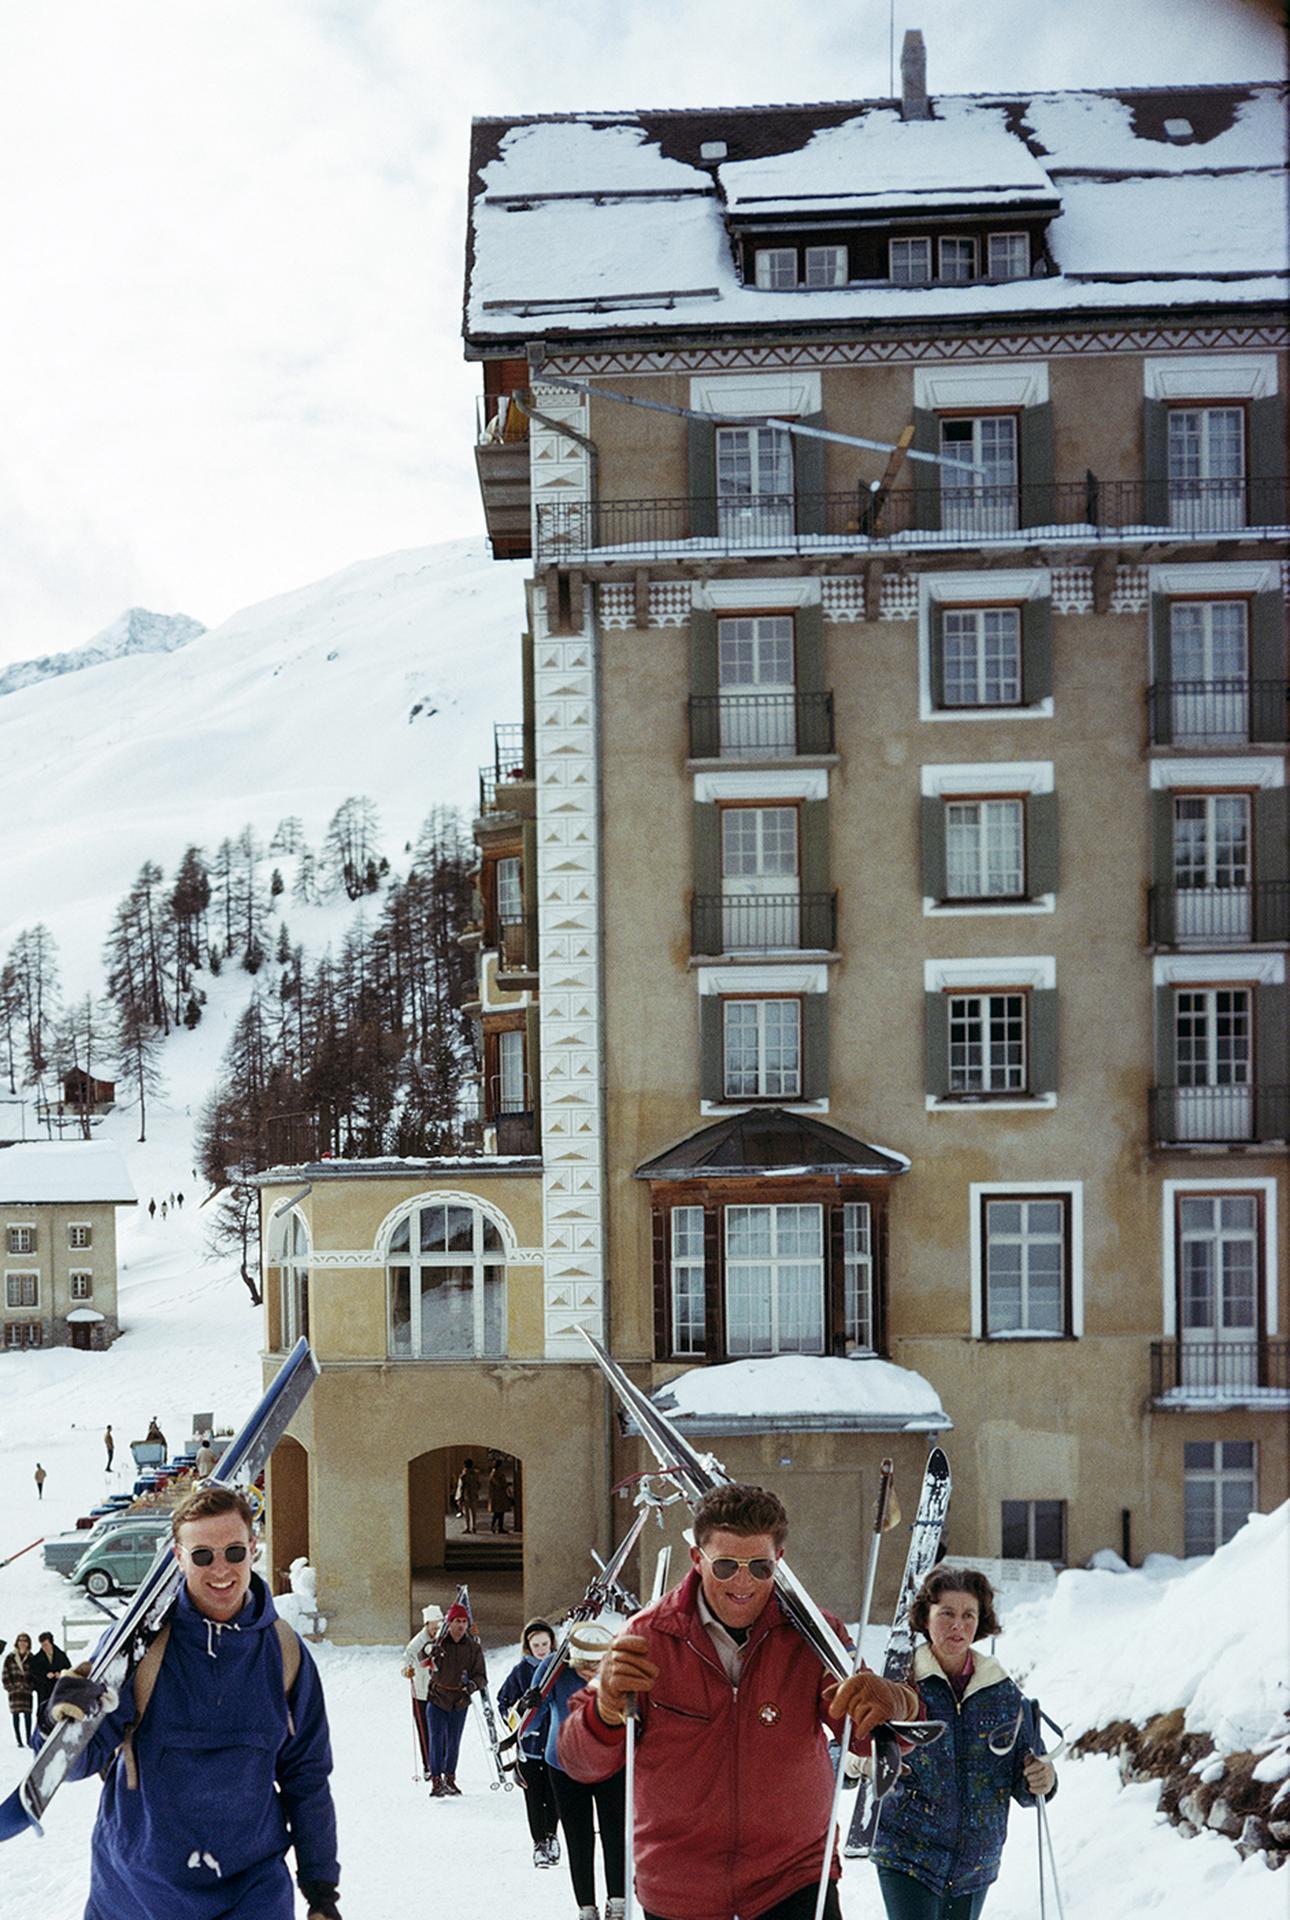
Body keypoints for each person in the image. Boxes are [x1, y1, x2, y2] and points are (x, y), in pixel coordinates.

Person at [559, 1482, 919, 1920]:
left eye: (761, 1567)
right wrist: (606, 1709)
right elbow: (579, 1761)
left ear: (779, 1562)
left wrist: (897, 1703)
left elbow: (872, 1740)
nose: (744, 1582)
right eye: (726, 1565)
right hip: (680, 1890)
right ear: (698, 1557)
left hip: (794, 1881)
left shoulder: (814, 1635)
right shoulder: (647, 1636)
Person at [43, 1481, 341, 1920]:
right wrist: (63, 1720)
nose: (221, 1569)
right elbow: (72, 1764)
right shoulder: (138, 1647)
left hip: (250, 1893)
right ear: (178, 1558)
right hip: (138, 1894)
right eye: (202, 1555)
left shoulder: (285, 1654)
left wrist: (321, 1892)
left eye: (234, 1552)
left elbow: (307, 1778)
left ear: (253, 1548)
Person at [870, 1565, 1056, 1920]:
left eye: (968, 1615)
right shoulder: (900, 1683)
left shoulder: (1001, 1692)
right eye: (947, 1614)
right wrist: (860, 1762)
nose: (958, 1625)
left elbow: (1028, 1773)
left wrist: (1042, 1780)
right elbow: (852, 1748)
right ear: (925, 1617)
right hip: (908, 1852)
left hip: (975, 1862)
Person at [548, 1624, 627, 1920]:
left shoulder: (619, 1674)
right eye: (583, 1666)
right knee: (578, 1837)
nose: (589, 1673)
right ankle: (586, 1908)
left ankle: (617, 1901)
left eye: (596, 1666)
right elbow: (532, 1703)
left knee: (614, 1832)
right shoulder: (555, 1670)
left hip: (611, 1763)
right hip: (564, 1764)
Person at [497, 1617, 561, 1868]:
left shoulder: (559, 1669)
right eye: (536, 1646)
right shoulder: (521, 1671)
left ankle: (552, 1835)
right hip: (530, 1748)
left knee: (554, 1794)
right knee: (533, 1796)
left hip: (555, 1744)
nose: (542, 1649)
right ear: (528, 1646)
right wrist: (520, 1709)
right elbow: (503, 1702)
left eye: (545, 1644)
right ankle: (539, 1843)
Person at [421, 1600, 485, 1797]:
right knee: (436, 1739)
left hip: (460, 1700)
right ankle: (436, 1780)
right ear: (449, 1623)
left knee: (453, 1740)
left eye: (464, 1621)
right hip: (438, 1698)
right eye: (457, 1621)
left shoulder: (473, 1648)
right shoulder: (439, 1643)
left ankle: (450, 1778)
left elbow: (481, 1676)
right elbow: (422, 1655)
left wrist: (472, 1686)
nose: (461, 1626)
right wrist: (431, 1651)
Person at [402, 1603, 445, 1788]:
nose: (436, 1630)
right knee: (425, 1731)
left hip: (441, 1691)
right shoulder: (416, 1643)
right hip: (421, 1693)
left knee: (442, 1730)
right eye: (433, 1627)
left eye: (439, 1626)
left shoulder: (444, 1638)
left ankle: (442, 1765)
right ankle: (428, 1766)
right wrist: (407, 1672)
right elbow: (405, 1665)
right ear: (427, 1625)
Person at [29, 1630, 71, 1720]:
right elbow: (33, 1673)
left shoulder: (61, 1656)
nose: (44, 1647)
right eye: (42, 1645)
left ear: (51, 1643)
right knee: (44, 1713)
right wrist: (45, 1675)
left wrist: (60, 1674)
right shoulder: (37, 1659)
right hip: (44, 1691)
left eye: (46, 1645)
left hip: (59, 1689)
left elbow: (68, 1669)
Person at [2, 1632, 34, 1746]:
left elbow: (35, 1674)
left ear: (28, 1643)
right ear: (17, 1642)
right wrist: (10, 1687)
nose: (22, 1643)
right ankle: (19, 1740)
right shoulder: (10, 1658)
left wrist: (30, 1686)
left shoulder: (31, 1658)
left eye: (25, 1641)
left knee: (28, 1716)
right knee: (15, 1715)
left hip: (26, 1691)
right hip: (14, 1691)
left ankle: (29, 1739)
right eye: (20, 1640)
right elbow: (5, 1674)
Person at [455, 1458, 481, 1534]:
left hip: (466, 1496)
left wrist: (460, 1498)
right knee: (473, 1512)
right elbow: (479, 1485)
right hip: (474, 1495)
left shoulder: (463, 1475)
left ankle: (467, 1527)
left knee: (466, 1513)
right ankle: (474, 1527)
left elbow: (461, 1487)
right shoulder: (475, 1474)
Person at [488, 1459, 511, 1534]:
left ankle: (499, 1527)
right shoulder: (494, 1473)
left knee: (500, 1512)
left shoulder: (497, 1473)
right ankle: (495, 1526)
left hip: (500, 1495)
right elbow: (498, 1484)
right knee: (498, 1512)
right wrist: (506, 1485)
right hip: (497, 1495)